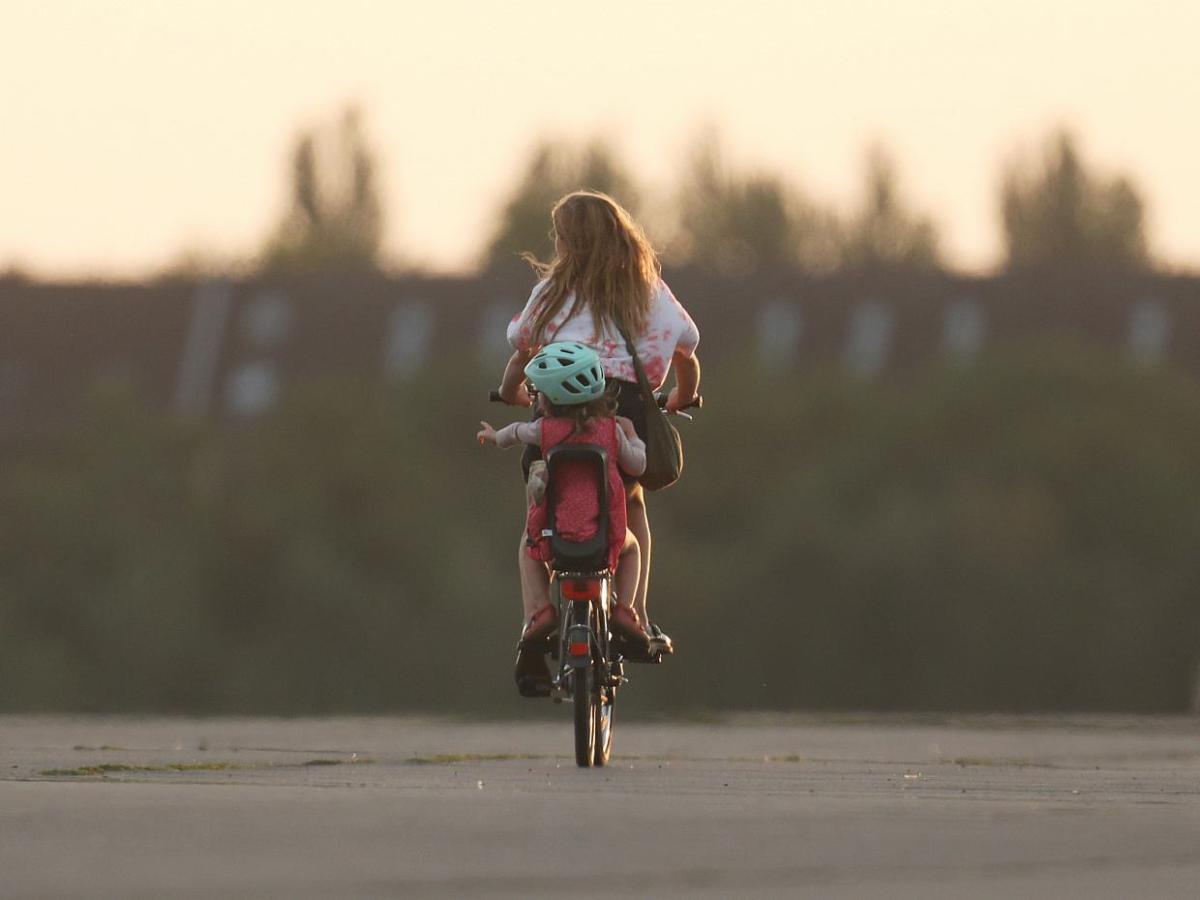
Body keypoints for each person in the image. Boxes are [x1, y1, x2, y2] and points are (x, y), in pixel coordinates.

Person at [495, 190, 701, 655]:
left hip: (554, 416)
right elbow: (688, 355)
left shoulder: (551, 293)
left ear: (567, 242)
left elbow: (520, 349)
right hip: (624, 411)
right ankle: (636, 614)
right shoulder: (649, 290)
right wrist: (680, 399)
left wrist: (513, 393)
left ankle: (537, 613)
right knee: (633, 506)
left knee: (538, 517)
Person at [478, 341, 650, 695]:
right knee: (633, 549)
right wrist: (633, 435)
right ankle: (627, 609)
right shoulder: (612, 431)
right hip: (606, 538)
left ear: (547, 400)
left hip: (554, 537)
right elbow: (639, 465)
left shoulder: (545, 431)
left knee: (528, 552)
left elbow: (514, 433)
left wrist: (494, 437)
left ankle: (541, 610)